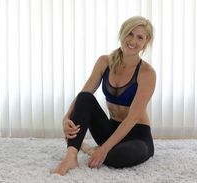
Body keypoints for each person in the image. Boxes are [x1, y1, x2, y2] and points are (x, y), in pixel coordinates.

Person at [51, 16, 156, 176]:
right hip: (110, 130)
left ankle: (90, 148)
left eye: (139, 37)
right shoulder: (104, 62)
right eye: (130, 33)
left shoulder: (147, 73)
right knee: (85, 98)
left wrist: (104, 149)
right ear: (122, 34)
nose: (133, 40)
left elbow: (132, 118)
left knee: (116, 157)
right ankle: (71, 157)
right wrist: (66, 117)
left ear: (145, 43)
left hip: (137, 136)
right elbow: (83, 95)